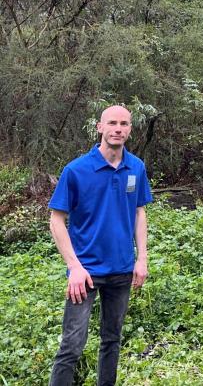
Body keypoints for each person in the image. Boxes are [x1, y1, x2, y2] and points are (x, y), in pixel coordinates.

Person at [48, 105, 153, 386]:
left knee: (112, 341)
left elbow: (139, 212)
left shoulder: (136, 167)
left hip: (121, 270)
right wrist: (74, 267)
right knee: (71, 346)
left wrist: (141, 259)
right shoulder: (76, 170)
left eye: (124, 124)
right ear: (100, 127)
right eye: (112, 123)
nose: (118, 129)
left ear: (130, 129)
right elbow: (56, 220)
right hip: (86, 272)